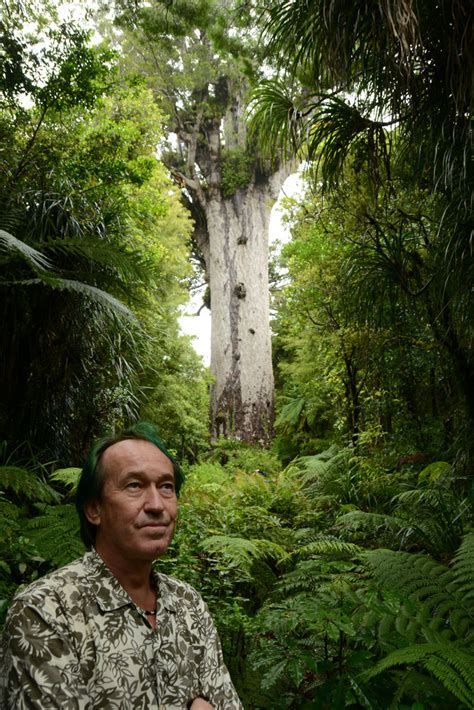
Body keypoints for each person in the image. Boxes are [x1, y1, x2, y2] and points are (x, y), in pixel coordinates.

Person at [2, 422, 243, 709]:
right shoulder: (46, 611)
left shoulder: (189, 604)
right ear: (94, 509)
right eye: (134, 485)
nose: (156, 504)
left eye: (166, 487)